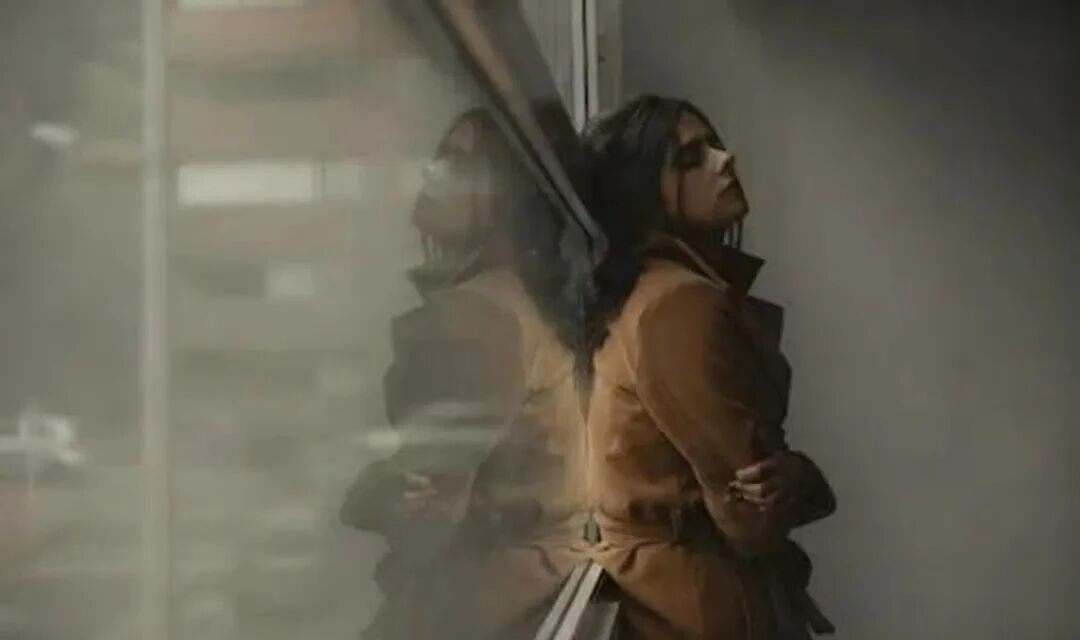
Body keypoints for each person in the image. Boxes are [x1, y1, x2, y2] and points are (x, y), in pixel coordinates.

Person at [580, 94, 836, 640]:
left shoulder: (648, 292)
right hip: (702, 605)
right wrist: (802, 477)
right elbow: (751, 520)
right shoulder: (678, 304)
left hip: (675, 595)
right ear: (642, 194)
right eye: (690, 158)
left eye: (713, 145)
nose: (726, 159)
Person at [340, 108, 590, 639]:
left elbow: (427, 518)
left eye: (457, 161)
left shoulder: (475, 314)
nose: (430, 172)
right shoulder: (527, 298)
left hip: (480, 608)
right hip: (531, 594)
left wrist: (365, 494)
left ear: (506, 193)